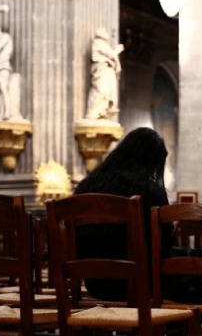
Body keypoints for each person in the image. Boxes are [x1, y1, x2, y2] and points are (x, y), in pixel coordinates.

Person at [73, 127, 173, 301]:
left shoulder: (85, 187)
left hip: (95, 285)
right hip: (139, 284)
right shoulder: (149, 190)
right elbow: (164, 242)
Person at [85, 28, 124, 120]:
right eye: (105, 32)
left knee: (107, 92)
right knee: (101, 90)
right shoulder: (98, 42)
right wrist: (117, 50)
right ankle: (93, 113)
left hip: (107, 69)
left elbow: (110, 55)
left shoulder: (104, 44)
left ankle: (102, 111)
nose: (107, 34)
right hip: (101, 70)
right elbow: (111, 54)